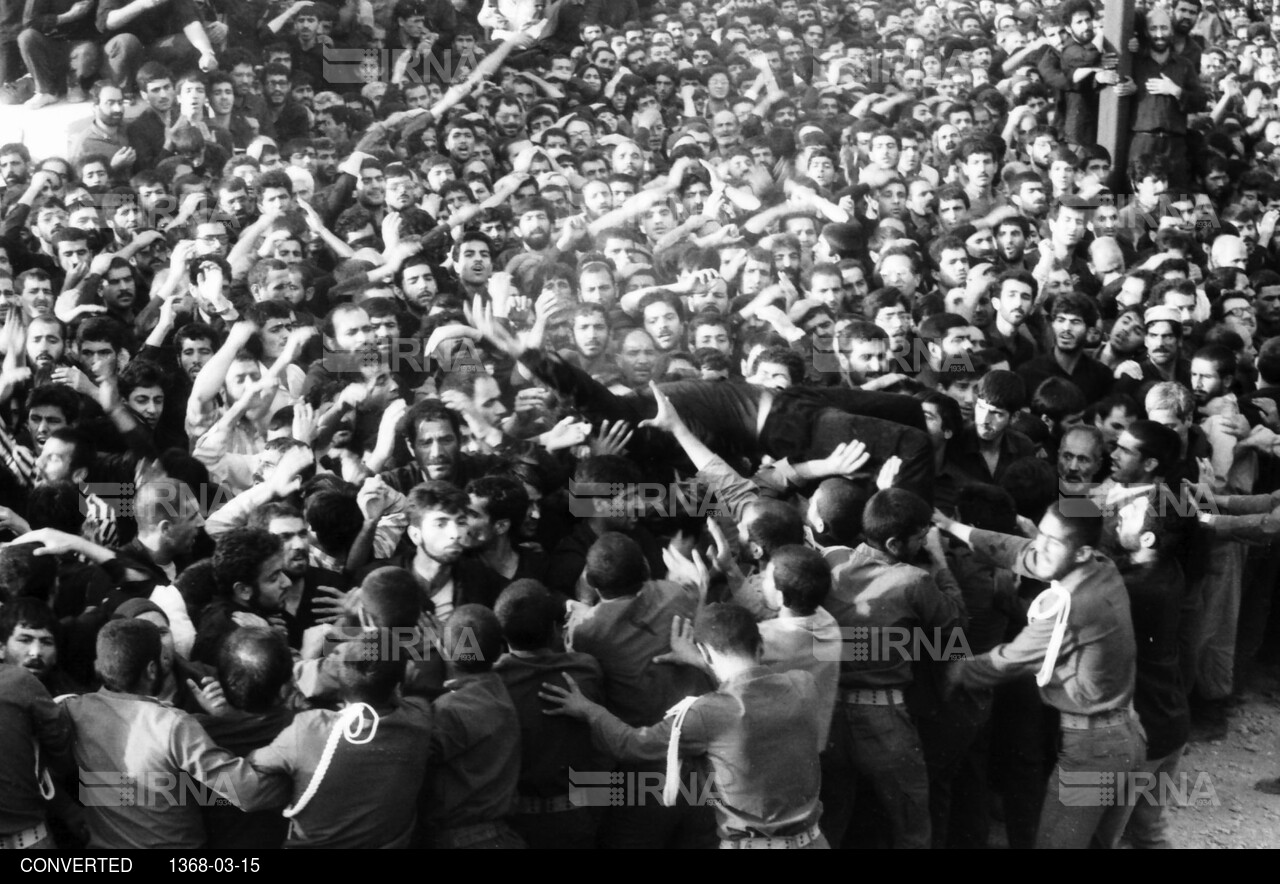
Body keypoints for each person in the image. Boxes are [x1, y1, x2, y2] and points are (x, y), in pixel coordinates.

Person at [934, 500, 1144, 849]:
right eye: (1040, 533)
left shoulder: (1071, 608)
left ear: (1081, 552)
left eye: (1053, 541)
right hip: (1123, 736)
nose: (1039, 546)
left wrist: (951, 670)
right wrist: (954, 527)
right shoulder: (1100, 566)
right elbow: (1020, 550)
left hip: (1094, 750)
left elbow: (1004, 662)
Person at [543, 602, 829, 849]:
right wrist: (703, 662)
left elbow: (631, 744)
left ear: (705, 653)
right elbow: (754, 690)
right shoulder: (803, 684)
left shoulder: (704, 713)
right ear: (761, 646)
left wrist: (589, 710)